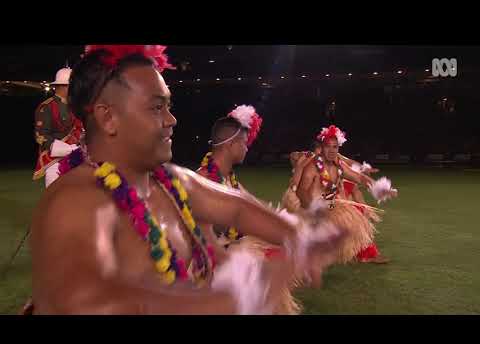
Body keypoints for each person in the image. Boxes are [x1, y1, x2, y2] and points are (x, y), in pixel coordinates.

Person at [27, 45, 343, 315]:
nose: (171, 120)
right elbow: (89, 301)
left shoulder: (168, 180)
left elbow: (237, 208)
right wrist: (231, 297)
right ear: (109, 117)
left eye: (169, 106)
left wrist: (299, 238)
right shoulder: (77, 201)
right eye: (156, 107)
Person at [196, 106, 306, 314]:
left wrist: (286, 208)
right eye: (244, 144)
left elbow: (256, 209)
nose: (247, 149)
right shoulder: (203, 181)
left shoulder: (230, 179)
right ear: (231, 145)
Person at [295, 125, 397, 264]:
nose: (331, 150)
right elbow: (301, 191)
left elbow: (359, 178)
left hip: (332, 204)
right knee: (305, 250)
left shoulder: (339, 165)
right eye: (328, 146)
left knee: (356, 222)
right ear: (322, 147)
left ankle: (363, 254)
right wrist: (315, 210)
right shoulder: (312, 167)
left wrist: (380, 187)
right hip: (312, 207)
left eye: (335, 147)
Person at [33, 67, 84, 188]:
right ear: (63, 86)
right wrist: (66, 149)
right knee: (54, 196)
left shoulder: (76, 106)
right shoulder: (47, 107)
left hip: (77, 158)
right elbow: (41, 136)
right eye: (72, 86)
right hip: (54, 160)